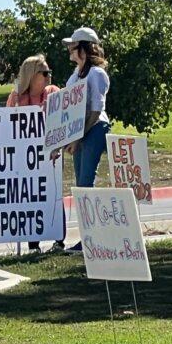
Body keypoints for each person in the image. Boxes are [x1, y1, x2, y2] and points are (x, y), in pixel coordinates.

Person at [52, 27, 111, 252]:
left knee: (86, 183)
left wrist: (77, 137)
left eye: (73, 46)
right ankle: (89, 236)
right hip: (82, 133)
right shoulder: (75, 75)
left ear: (83, 49)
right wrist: (63, 141)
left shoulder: (96, 74)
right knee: (81, 185)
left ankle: (92, 238)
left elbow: (96, 111)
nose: (69, 49)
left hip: (95, 129)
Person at [7, 54, 59, 251]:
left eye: (49, 72)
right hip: (26, 159)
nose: (48, 76)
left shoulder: (54, 92)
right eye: (44, 72)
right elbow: (6, 128)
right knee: (31, 198)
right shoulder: (16, 98)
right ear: (31, 74)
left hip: (51, 157)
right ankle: (33, 245)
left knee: (53, 195)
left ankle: (58, 241)